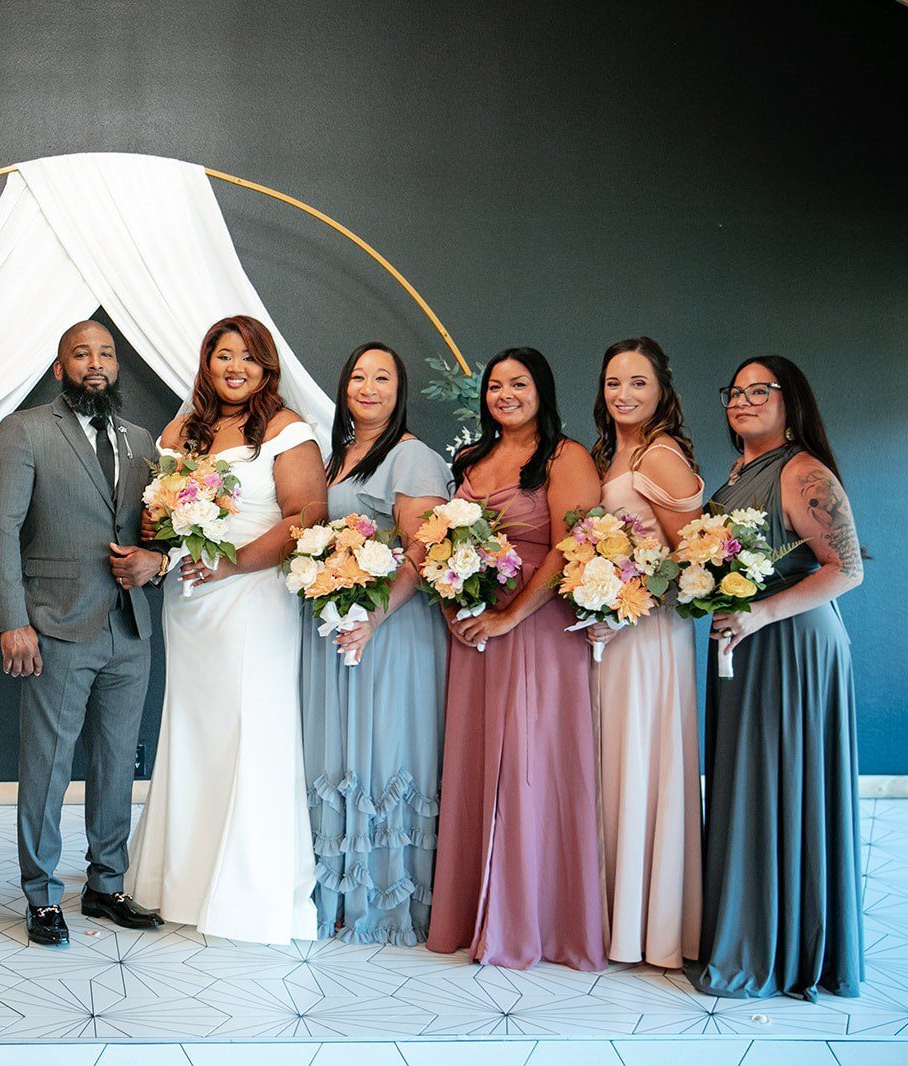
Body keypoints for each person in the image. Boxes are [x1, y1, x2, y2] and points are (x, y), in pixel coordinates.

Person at [125, 314, 326, 945]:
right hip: (190, 602)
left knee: (250, 729)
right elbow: (156, 509)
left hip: (253, 597)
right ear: (207, 363)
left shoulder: (287, 430)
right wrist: (165, 540)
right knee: (192, 727)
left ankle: (249, 890)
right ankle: (181, 883)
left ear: (267, 366)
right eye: (222, 354)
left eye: (247, 356)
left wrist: (230, 562)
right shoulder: (183, 428)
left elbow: (305, 515)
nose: (233, 366)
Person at [0, 320, 167, 948]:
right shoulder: (25, 431)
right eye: (81, 353)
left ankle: (106, 884)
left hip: (131, 627)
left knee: (119, 763)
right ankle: (41, 895)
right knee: (49, 764)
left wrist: (155, 561)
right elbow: (0, 531)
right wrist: (12, 620)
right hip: (54, 625)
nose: (96, 363)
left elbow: (160, 530)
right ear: (60, 368)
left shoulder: (142, 441)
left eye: (107, 353)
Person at [688, 356, 864, 1001]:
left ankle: (783, 949)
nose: (743, 400)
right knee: (748, 783)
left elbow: (845, 570)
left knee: (779, 786)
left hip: (792, 643)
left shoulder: (803, 471)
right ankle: (748, 930)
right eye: (735, 391)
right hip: (745, 640)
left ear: (792, 401)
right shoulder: (737, 471)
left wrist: (758, 613)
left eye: (760, 391)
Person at [426, 347, 606, 972]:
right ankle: (476, 913)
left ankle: (535, 919)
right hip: (476, 626)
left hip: (536, 627)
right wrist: (458, 605)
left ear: (542, 390)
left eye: (519, 383)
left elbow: (571, 548)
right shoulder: (472, 459)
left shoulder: (566, 456)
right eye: (496, 384)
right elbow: (447, 540)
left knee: (532, 763)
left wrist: (509, 616)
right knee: (479, 761)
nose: (505, 394)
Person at [300, 343, 450, 945]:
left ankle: (380, 898)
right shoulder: (337, 457)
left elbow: (421, 549)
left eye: (382, 377)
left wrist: (375, 615)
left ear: (400, 388)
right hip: (337, 623)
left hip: (390, 628)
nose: (368, 387)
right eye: (357, 375)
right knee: (335, 754)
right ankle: (332, 891)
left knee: (383, 751)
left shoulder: (412, 458)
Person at [585, 338, 704, 969]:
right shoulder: (614, 450)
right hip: (614, 630)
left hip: (649, 636)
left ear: (662, 389)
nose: (624, 394)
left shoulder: (662, 455)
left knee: (642, 762)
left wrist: (626, 600)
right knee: (614, 763)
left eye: (637, 382)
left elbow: (695, 559)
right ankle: (611, 916)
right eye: (613, 383)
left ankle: (649, 926)